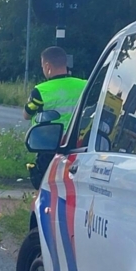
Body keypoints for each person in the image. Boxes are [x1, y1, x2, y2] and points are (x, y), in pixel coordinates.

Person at [23, 46, 87, 188]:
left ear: (47, 66)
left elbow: (27, 114)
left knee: (48, 189)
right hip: (80, 146)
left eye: (43, 66)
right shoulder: (85, 85)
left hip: (50, 147)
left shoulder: (41, 91)